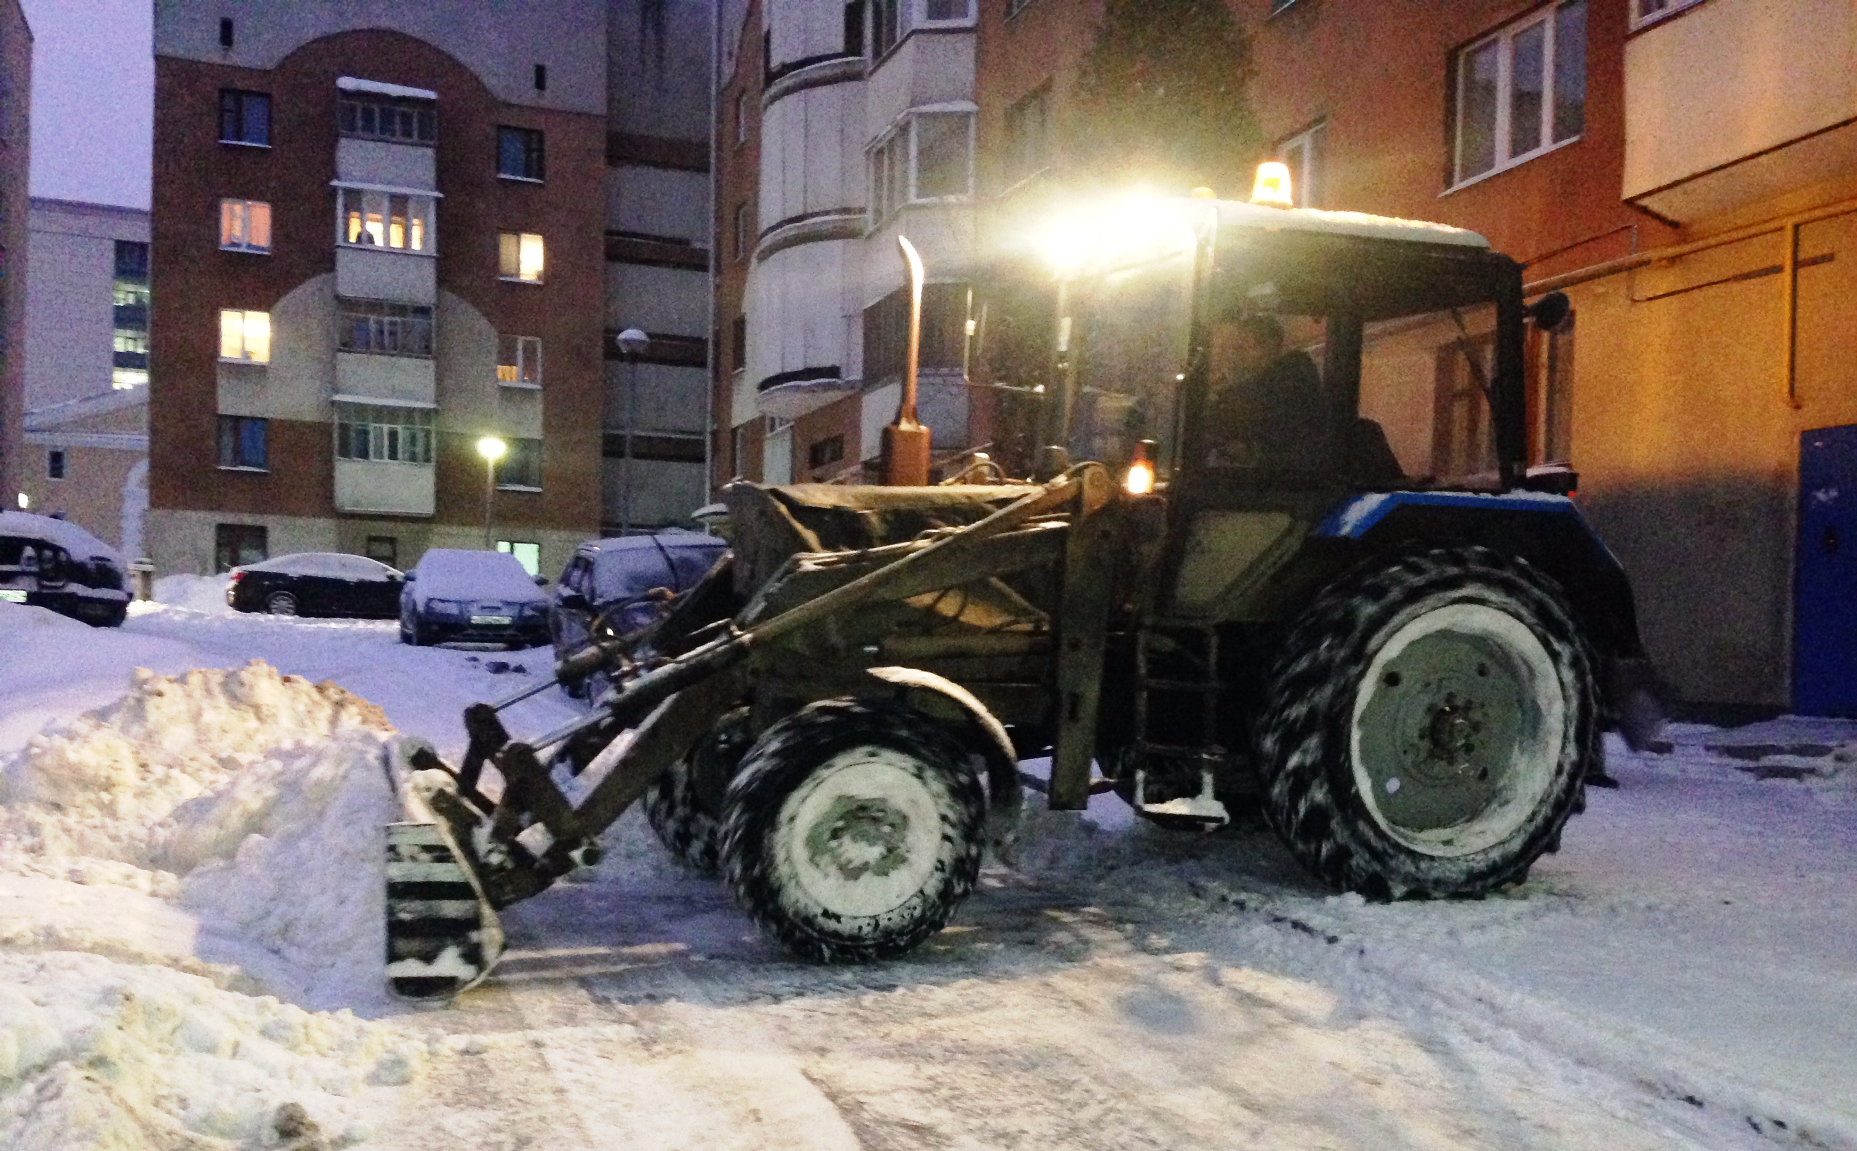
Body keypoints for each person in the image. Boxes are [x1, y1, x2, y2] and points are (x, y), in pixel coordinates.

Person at [1204, 312, 1333, 471]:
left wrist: (1247, 452)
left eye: (1242, 346)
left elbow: (1290, 450)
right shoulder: (1262, 388)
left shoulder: (1287, 388)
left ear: (1268, 345)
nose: (1234, 355)